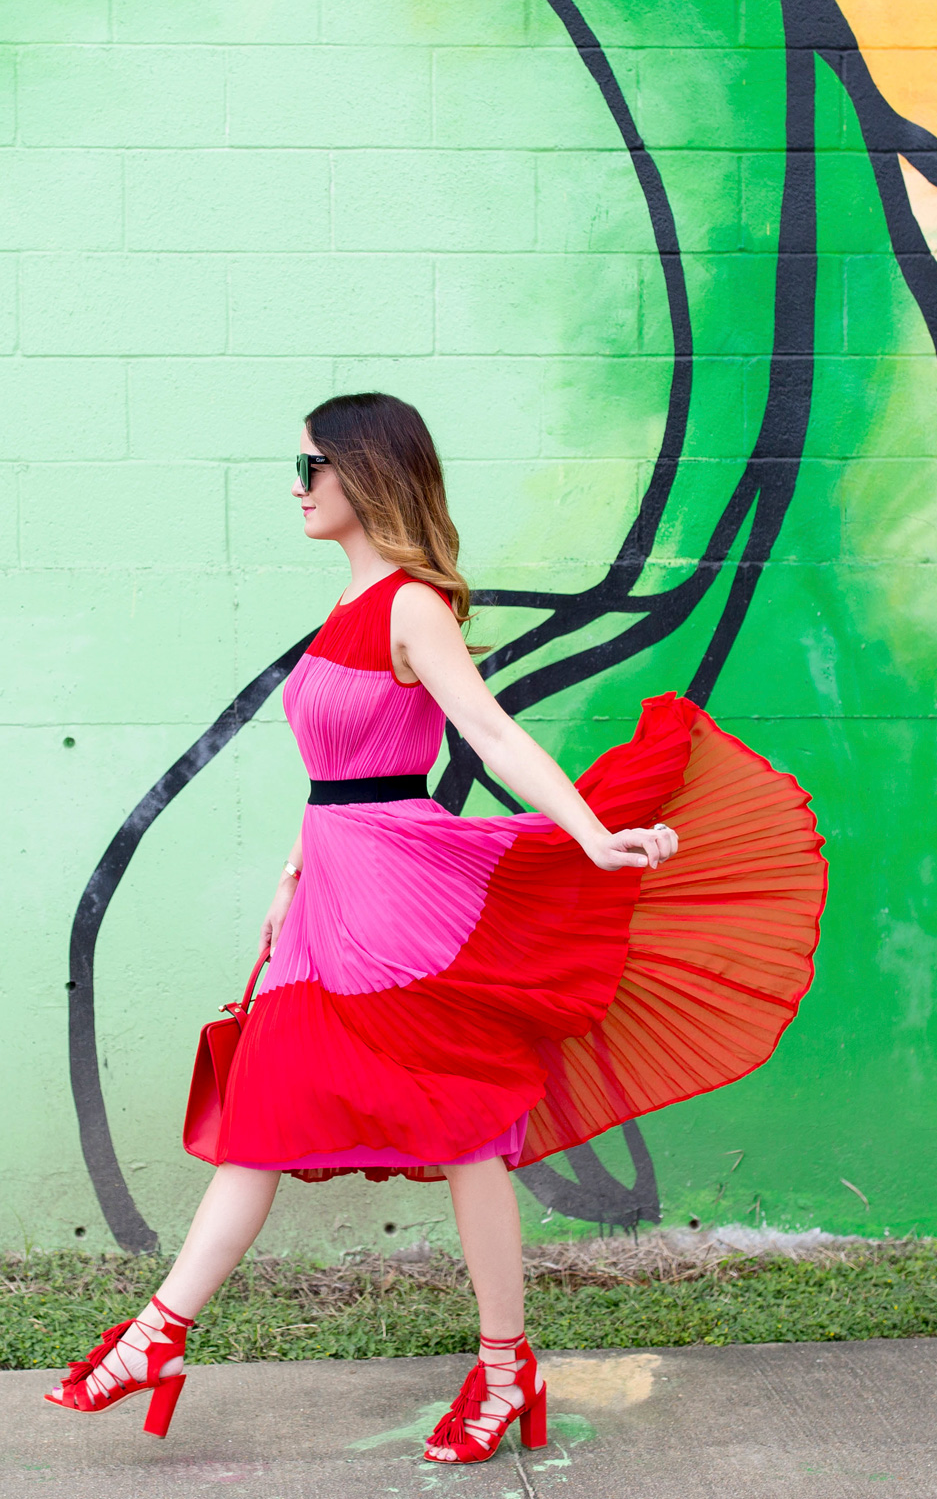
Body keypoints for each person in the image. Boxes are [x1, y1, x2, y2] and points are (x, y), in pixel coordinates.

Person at [44, 392, 827, 1463]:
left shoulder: (412, 605)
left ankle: (504, 1372)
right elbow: (336, 773)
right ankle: (158, 1335)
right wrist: (289, 871)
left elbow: (489, 733)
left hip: (401, 900)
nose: (296, 485)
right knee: (267, 1104)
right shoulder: (346, 608)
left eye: (310, 466)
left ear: (364, 474)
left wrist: (592, 833)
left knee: (462, 1133)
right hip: (332, 890)